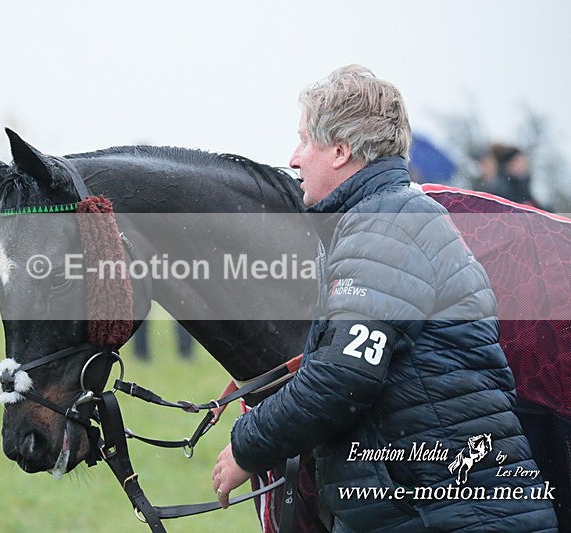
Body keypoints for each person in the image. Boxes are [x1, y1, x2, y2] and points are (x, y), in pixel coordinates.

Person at [211, 66, 558, 531]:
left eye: (304, 142)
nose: (293, 159)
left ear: (340, 151)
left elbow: (341, 378)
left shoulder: (386, 228)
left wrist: (247, 445)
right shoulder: (382, 219)